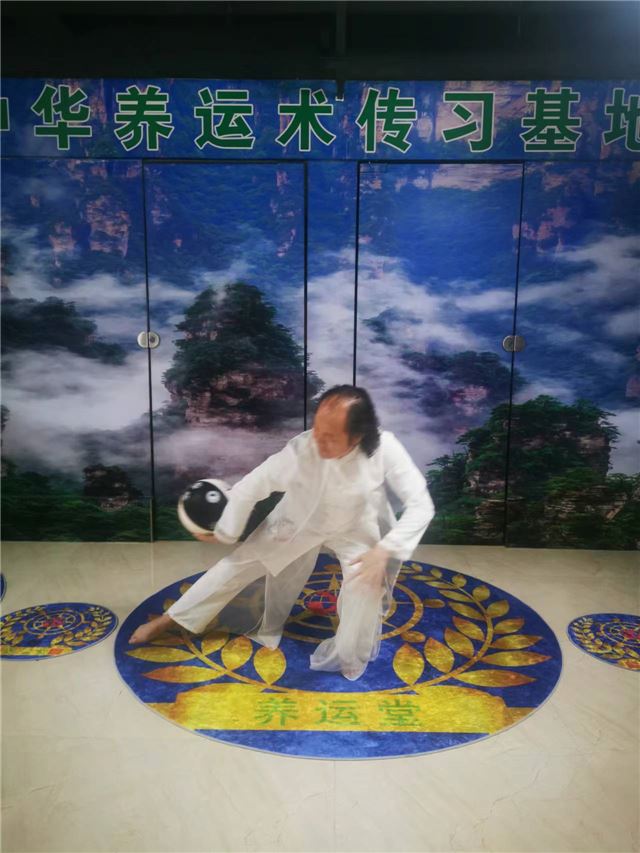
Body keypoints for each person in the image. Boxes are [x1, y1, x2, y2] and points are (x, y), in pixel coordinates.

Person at [129, 385, 435, 681]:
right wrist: (224, 531)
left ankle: (348, 654)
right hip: (299, 521)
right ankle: (169, 620)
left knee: (365, 585)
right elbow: (252, 487)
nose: (317, 441)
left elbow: (422, 505)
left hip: (356, 525)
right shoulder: (301, 451)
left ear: (357, 436)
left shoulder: (385, 448)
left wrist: (384, 550)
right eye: (316, 429)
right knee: (238, 565)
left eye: (329, 437)